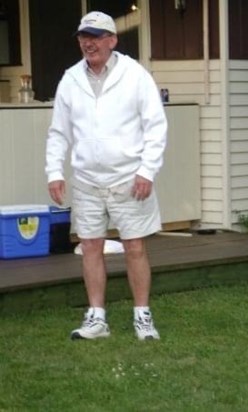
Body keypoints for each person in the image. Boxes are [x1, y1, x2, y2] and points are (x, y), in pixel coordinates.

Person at [45, 11, 168, 341]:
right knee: (90, 246)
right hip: (86, 179)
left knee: (135, 247)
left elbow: (155, 125)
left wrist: (147, 170)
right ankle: (96, 318)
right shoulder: (70, 79)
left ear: (112, 40)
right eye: (84, 37)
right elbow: (59, 132)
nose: (88, 42)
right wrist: (55, 171)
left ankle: (143, 317)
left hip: (130, 177)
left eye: (96, 36)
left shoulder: (135, 75)